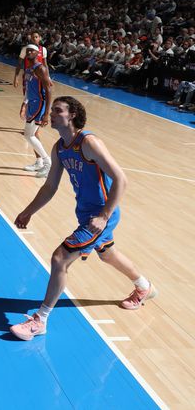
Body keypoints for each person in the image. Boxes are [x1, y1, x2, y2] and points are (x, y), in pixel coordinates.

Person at [10, 96, 157, 341]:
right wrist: (28, 211)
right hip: (87, 215)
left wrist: (104, 215)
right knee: (107, 253)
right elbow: (50, 187)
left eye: (58, 111)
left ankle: (40, 320)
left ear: (73, 116)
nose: (52, 114)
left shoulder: (88, 142)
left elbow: (121, 179)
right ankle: (144, 287)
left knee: (60, 258)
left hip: (100, 216)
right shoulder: (60, 148)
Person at [15, 33, 51, 173]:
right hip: (32, 104)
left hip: (39, 105)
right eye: (28, 50)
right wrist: (24, 105)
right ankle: (40, 162)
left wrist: (46, 113)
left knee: (29, 135)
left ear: (38, 53)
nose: (30, 52)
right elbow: (30, 90)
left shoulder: (40, 69)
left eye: (32, 51)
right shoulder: (29, 69)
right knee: (31, 135)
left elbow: (49, 91)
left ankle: (47, 163)